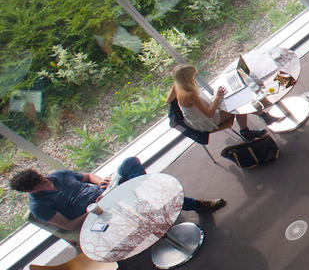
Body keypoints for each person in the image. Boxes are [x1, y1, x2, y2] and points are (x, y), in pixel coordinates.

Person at [11, 158, 225, 231]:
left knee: (130, 162)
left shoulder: (56, 175)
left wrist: (99, 181)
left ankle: (144, 192)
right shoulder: (39, 207)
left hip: (107, 191)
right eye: (42, 184)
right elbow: (68, 226)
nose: (47, 182)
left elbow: (85, 176)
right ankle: (193, 204)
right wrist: (95, 208)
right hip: (99, 211)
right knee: (148, 193)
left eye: (44, 178)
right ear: (31, 190)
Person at [168, 64, 265, 140]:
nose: (196, 75)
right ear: (187, 78)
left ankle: (262, 114)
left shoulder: (177, 85)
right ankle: (246, 131)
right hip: (207, 121)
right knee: (238, 106)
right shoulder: (190, 95)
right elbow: (209, 114)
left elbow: (168, 100)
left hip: (195, 118)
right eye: (194, 75)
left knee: (231, 99)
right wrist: (218, 97)